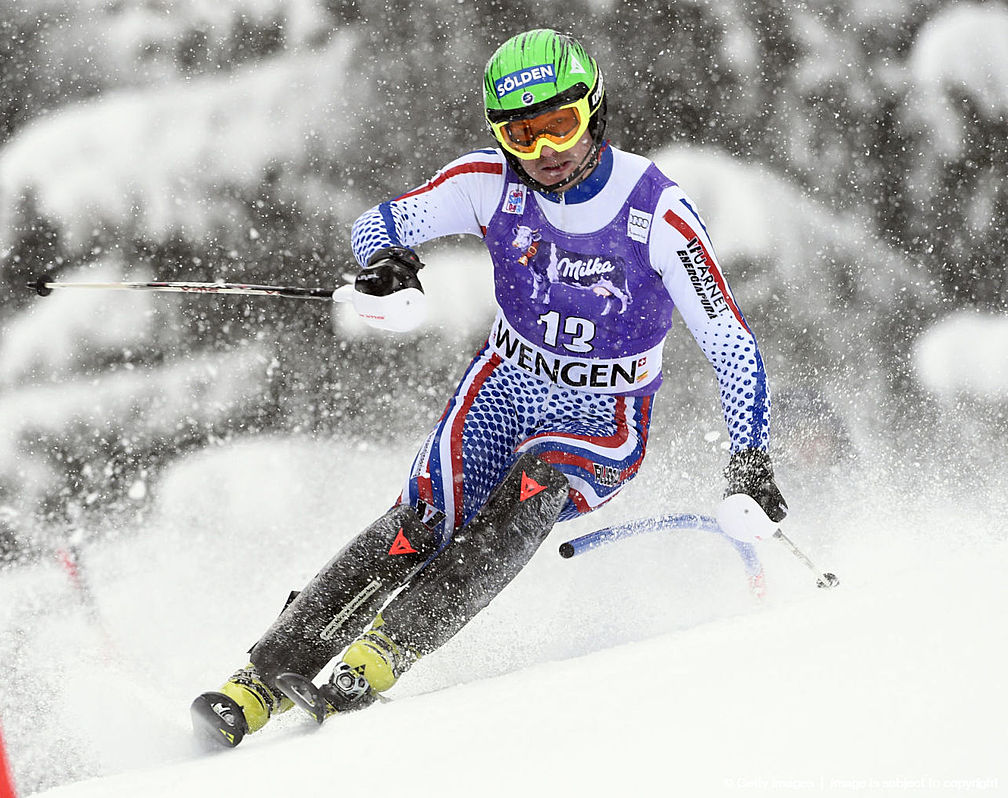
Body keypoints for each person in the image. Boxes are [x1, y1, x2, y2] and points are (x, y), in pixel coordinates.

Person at [191, 28, 787, 747]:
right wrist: (390, 266)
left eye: (560, 127)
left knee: (530, 493)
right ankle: (260, 682)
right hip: (504, 385)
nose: (545, 154)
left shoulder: (654, 212)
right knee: (423, 519)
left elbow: (729, 340)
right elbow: (378, 223)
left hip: (605, 413)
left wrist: (749, 462)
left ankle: (382, 654)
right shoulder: (488, 183)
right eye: (522, 136)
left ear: (593, 111)